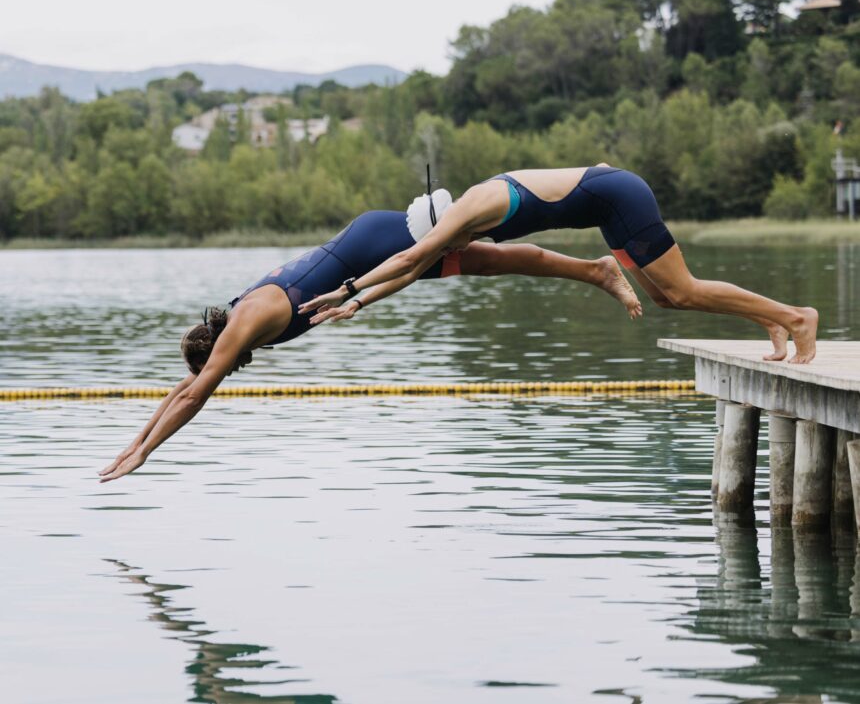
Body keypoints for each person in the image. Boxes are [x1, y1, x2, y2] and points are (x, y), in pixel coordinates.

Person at [98, 202, 641, 483]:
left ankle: (579, 235)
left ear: (221, 350)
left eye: (219, 366)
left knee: (490, 254)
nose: (223, 371)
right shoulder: (240, 328)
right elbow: (184, 389)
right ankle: (594, 270)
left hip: (378, 244)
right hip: (367, 249)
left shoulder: (248, 320)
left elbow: (194, 396)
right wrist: (134, 440)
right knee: (494, 265)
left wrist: (146, 453)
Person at [299, 165, 819, 364]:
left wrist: (346, 287)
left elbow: (410, 258)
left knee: (679, 289)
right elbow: (413, 270)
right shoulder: (457, 226)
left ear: (440, 225)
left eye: (440, 240)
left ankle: (797, 317)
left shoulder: (471, 210)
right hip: (605, 210)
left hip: (618, 196)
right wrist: (359, 302)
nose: (448, 252)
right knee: (665, 297)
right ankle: (771, 320)